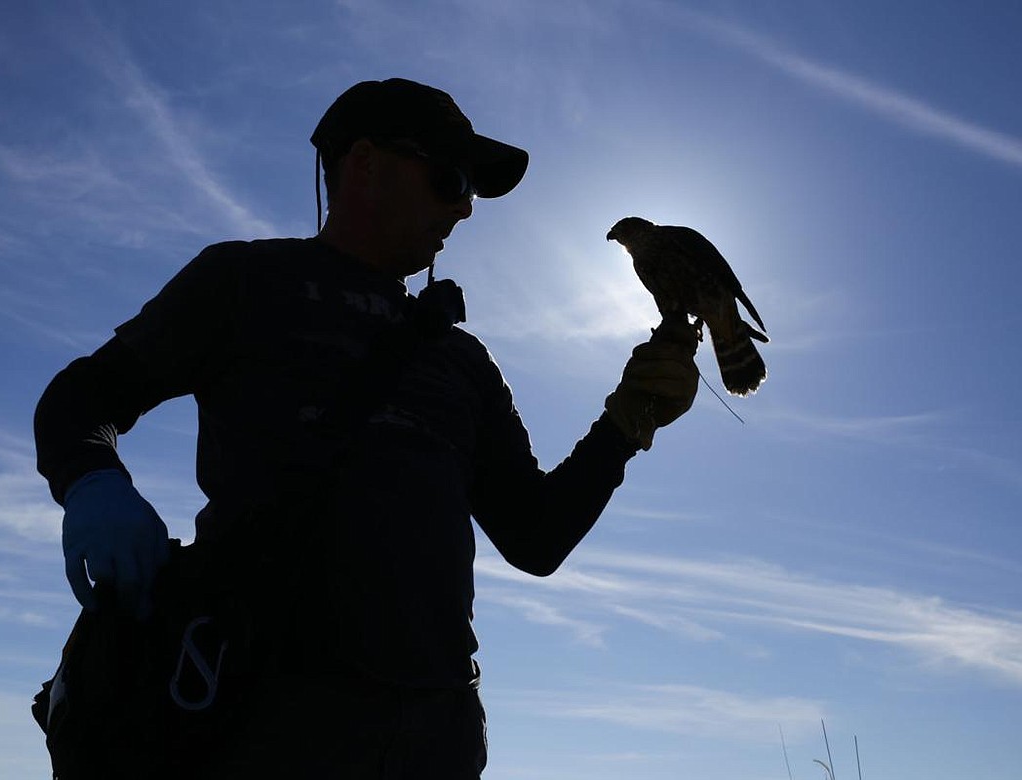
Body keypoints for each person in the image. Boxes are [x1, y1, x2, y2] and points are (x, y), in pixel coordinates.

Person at [34, 77, 699, 779]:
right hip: (265, 723)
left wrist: (625, 423)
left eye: (472, 190)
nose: (466, 207)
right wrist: (94, 484)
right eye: (449, 178)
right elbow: (82, 397)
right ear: (365, 165)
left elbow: (536, 538)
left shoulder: (463, 360)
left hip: (436, 734)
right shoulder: (243, 281)